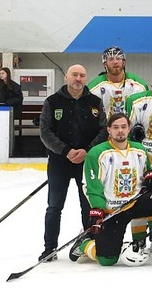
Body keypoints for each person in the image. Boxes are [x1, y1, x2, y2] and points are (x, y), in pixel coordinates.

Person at [72, 113, 152, 266]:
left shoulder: (140, 150)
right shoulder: (96, 153)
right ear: (109, 130)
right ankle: (84, 243)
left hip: (135, 203)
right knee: (107, 260)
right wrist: (98, 210)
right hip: (112, 210)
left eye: (123, 127)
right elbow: (92, 188)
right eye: (116, 127)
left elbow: (147, 175)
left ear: (129, 129)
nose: (120, 131)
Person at [39, 64, 107, 260]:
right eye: (74, 75)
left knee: (88, 205)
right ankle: (49, 248)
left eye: (82, 75)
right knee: (54, 206)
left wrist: (87, 151)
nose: (78, 78)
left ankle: (89, 243)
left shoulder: (95, 102)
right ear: (66, 77)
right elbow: (45, 131)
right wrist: (65, 151)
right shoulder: (52, 102)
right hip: (59, 162)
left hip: (87, 162)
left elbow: (104, 130)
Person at [88, 47, 148, 122]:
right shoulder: (93, 88)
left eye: (118, 58)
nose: (115, 62)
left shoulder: (139, 86)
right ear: (105, 64)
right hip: (105, 129)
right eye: (111, 59)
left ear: (124, 62)